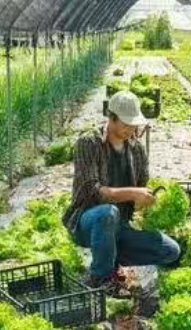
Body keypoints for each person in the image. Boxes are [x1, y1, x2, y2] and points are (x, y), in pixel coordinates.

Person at [62, 90, 181, 296]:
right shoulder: (89, 143)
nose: (131, 129)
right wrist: (133, 193)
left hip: (120, 228)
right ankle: (100, 278)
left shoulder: (137, 150)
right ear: (111, 118)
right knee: (108, 213)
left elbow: (143, 186)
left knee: (170, 250)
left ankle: (110, 255)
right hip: (88, 223)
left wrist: (151, 203)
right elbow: (91, 191)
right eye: (126, 124)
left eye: (134, 124)